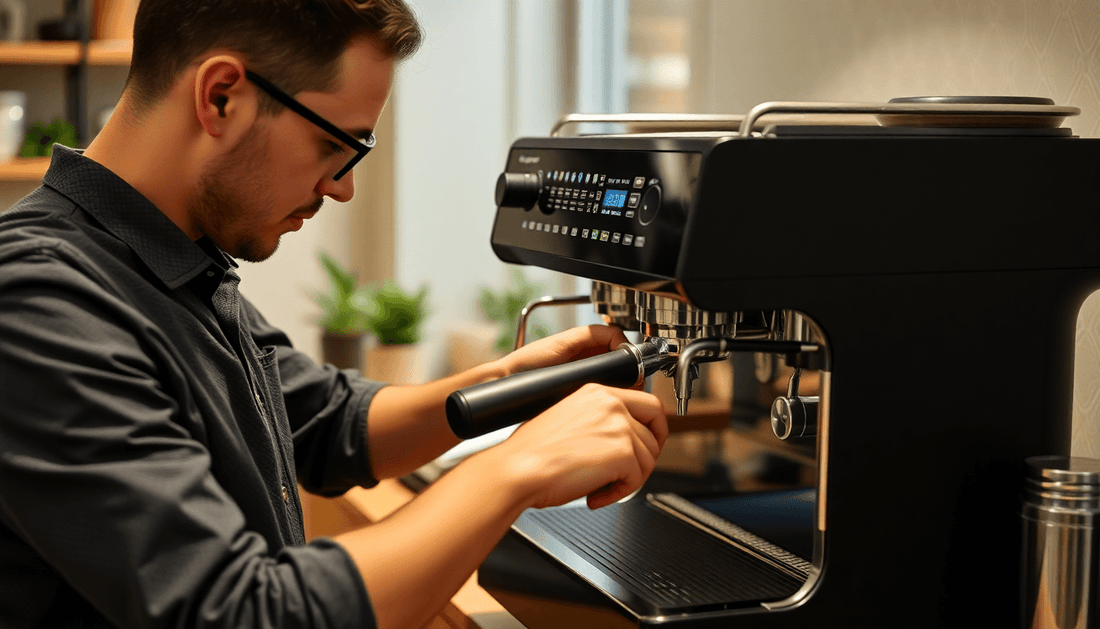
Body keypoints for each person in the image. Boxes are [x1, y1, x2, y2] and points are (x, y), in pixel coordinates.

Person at [0, 1, 668, 628]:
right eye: (335, 146)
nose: (342, 187)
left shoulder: (175, 258)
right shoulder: (41, 301)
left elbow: (326, 422)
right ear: (221, 96)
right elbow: (244, 612)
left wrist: (510, 385)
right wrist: (515, 470)